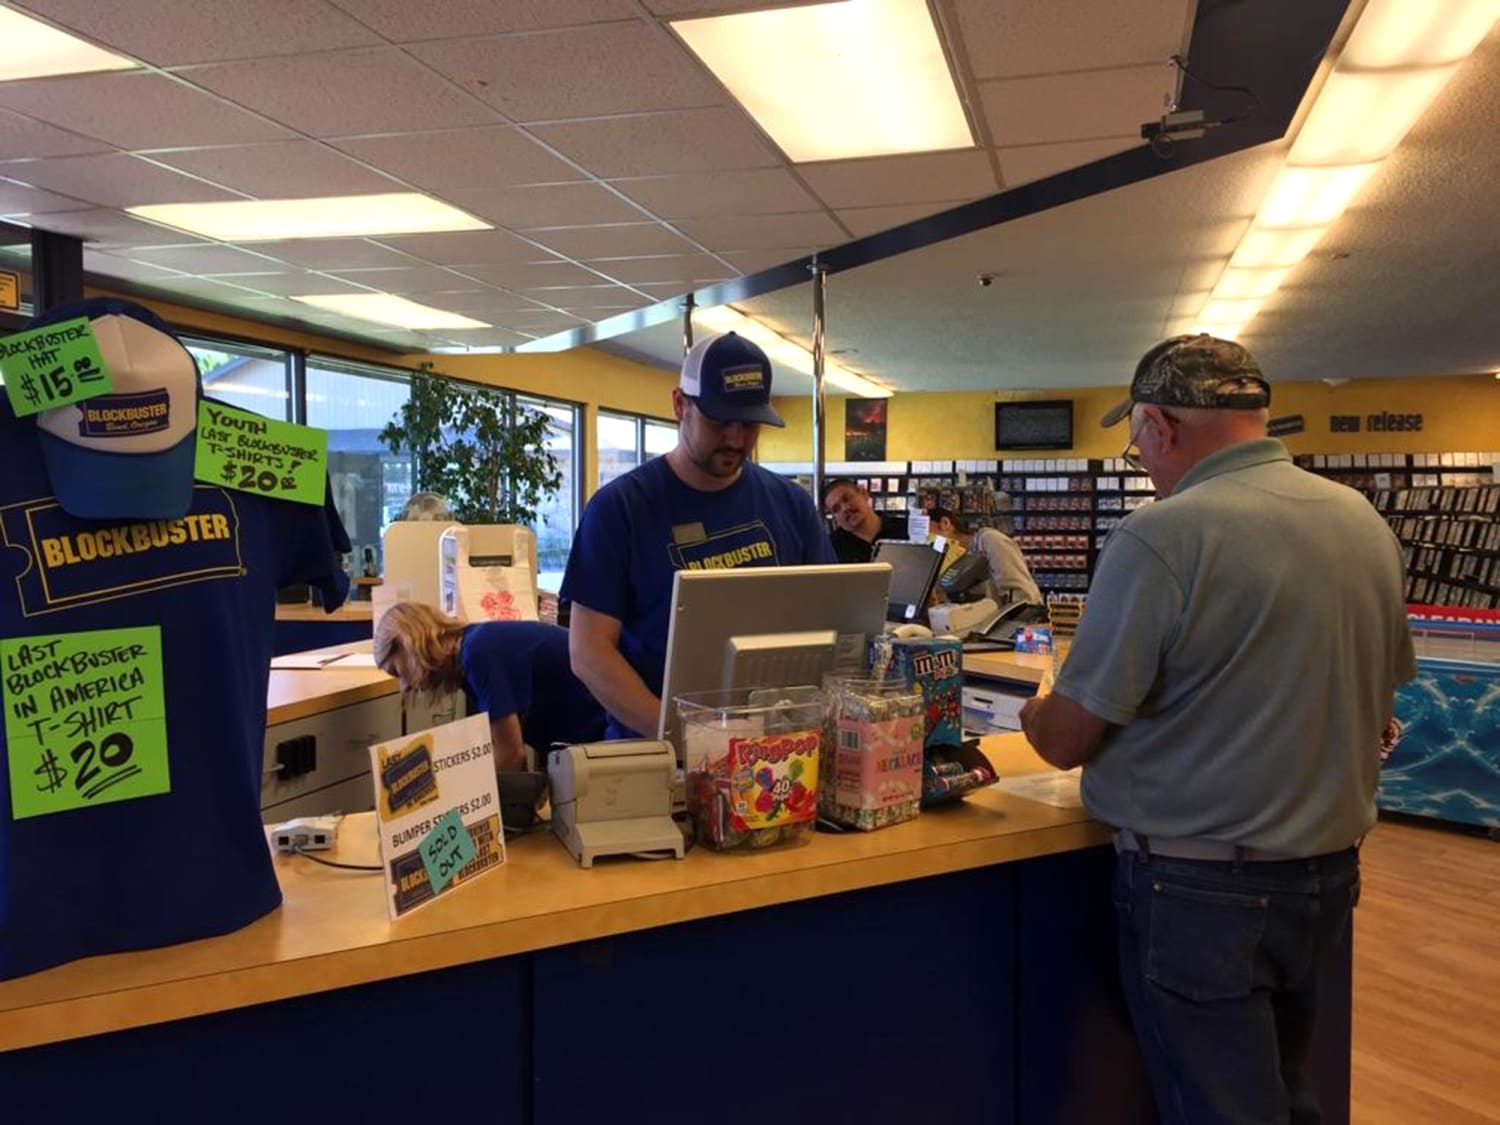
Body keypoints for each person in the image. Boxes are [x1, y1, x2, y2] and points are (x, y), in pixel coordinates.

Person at [1018, 335, 1416, 1124]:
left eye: (1138, 447)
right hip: (1327, 878)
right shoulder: (1360, 520)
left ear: (1160, 426)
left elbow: (1067, 739)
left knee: (1222, 1108)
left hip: (1199, 892)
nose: (1146, 465)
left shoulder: (1161, 535)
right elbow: (1379, 712)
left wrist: (1037, 704)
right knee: (1286, 1094)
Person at [561, 331, 836, 738]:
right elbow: (589, 652)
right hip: (654, 753)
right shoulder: (620, 509)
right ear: (679, 405)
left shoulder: (791, 505)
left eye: (749, 425)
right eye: (719, 421)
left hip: (775, 745)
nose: (735, 439)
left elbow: (832, 620)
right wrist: (682, 735)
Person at [374, 602, 605, 770]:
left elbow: (511, 754)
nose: (404, 687)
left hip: (607, 739)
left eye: (397, 672)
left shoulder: (478, 653)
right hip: (589, 743)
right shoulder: (474, 648)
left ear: (408, 643)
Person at [928, 507, 1042, 607]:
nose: (926, 539)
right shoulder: (958, 555)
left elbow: (1021, 596)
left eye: (925, 529)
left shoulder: (990, 540)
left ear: (945, 523)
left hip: (1011, 624)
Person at [822, 478, 908, 563]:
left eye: (847, 498)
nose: (845, 508)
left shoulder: (906, 529)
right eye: (836, 509)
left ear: (863, 493)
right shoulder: (831, 549)